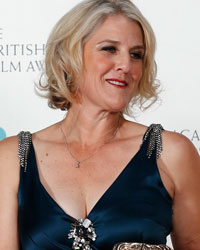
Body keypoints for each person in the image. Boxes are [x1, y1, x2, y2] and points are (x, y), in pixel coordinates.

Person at [0, 0, 200, 249]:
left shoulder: (170, 153)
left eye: (136, 54)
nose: (126, 66)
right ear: (68, 57)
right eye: (109, 49)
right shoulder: (11, 157)